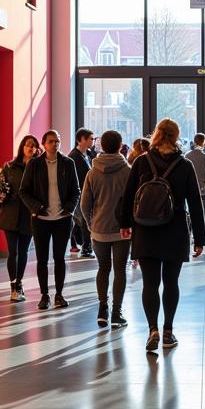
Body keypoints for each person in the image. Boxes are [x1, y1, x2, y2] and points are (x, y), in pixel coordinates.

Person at [118, 118, 205, 352]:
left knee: (150, 282)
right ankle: (168, 331)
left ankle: (152, 330)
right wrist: (199, 238)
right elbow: (195, 204)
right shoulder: (184, 165)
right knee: (171, 282)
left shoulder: (141, 162)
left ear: (156, 134)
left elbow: (128, 197)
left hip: (145, 230)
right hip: (174, 230)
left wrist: (125, 224)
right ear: (176, 137)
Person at [20, 129, 80, 309]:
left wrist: (69, 209)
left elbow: (76, 190)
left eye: (57, 141)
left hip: (62, 219)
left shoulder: (68, 163)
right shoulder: (34, 164)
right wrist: (36, 208)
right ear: (44, 144)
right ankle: (44, 295)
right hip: (41, 219)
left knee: (60, 258)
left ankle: (60, 295)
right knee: (42, 260)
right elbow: (24, 191)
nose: (55, 144)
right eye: (51, 141)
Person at [80, 129, 132, 328]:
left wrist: (91, 223)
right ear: (120, 146)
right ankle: (117, 313)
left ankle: (103, 309)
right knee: (120, 270)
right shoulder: (128, 171)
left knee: (103, 268)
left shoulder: (92, 172)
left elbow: (85, 205)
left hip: (99, 230)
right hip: (122, 230)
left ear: (101, 146)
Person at [0, 134, 40, 302]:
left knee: (23, 252)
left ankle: (20, 284)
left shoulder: (38, 167)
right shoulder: (8, 167)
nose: (31, 148)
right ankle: (13, 285)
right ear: (22, 147)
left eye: (34, 146)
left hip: (29, 214)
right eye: (28, 145)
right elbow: (1, 189)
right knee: (13, 252)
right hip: (10, 214)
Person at [68, 127, 95, 258]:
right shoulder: (73, 157)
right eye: (90, 139)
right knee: (83, 220)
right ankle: (86, 248)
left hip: (87, 193)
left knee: (82, 220)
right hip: (79, 194)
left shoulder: (87, 155)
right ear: (81, 140)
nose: (93, 141)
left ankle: (80, 244)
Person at [185, 132, 205, 239]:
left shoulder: (187, 156)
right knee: (204, 215)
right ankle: (201, 237)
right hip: (203, 191)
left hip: (190, 191)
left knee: (192, 213)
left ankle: (192, 235)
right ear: (203, 142)